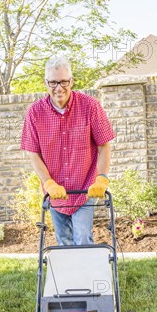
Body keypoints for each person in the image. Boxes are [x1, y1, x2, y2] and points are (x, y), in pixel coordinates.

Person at [21, 55, 115, 245]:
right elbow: (33, 153)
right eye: (53, 82)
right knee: (63, 241)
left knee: (83, 239)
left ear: (71, 81)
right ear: (46, 83)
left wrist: (102, 177)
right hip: (55, 191)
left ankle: (87, 275)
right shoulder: (35, 112)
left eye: (64, 82)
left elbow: (104, 144)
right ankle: (69, 275)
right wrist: (48, 183)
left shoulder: (90, 106)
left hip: (85, 187)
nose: (59, 88)